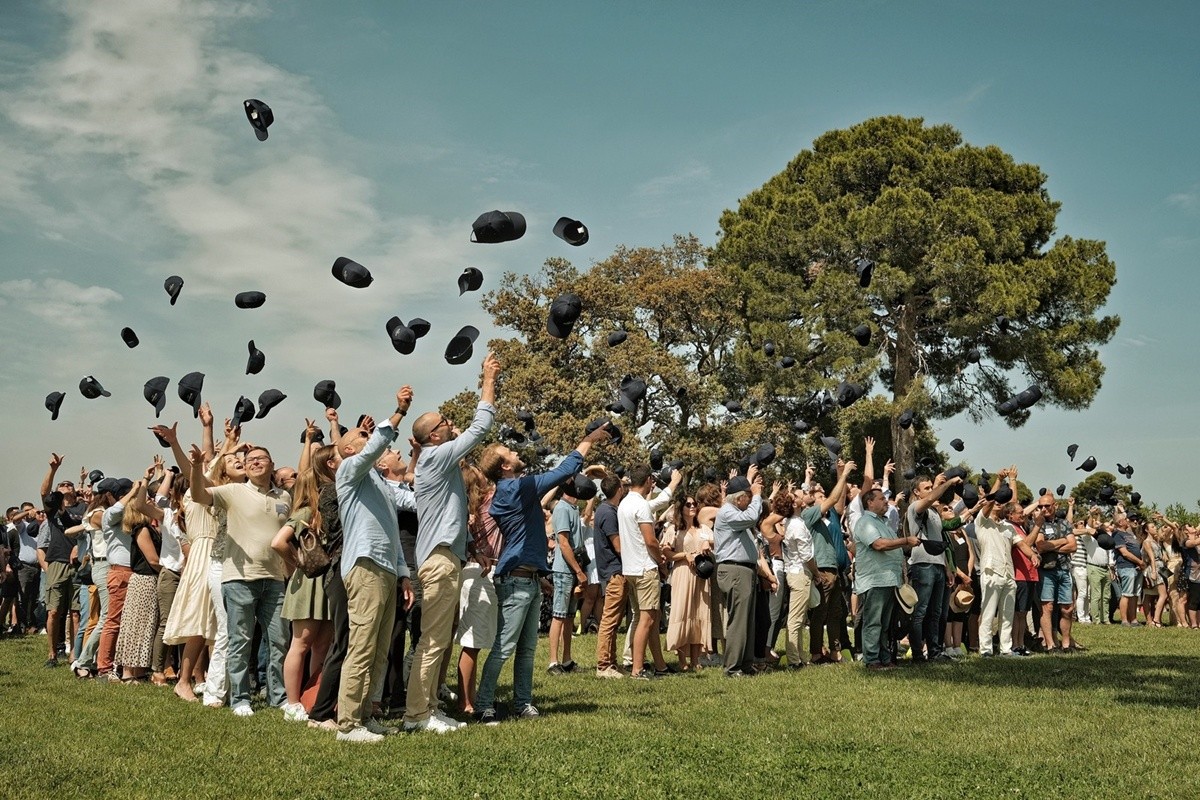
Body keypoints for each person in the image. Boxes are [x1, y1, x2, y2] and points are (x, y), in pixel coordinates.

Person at [473, 423, 611, 723]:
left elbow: (550, 488)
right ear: (505, 466)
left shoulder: (514, 490)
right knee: (505, 646)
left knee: (526, 648)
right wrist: (587, 439)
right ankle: (484, 704)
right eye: (508, 452)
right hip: (516, 580)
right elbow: (561, 472)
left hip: (530, 578)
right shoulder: (513, 487)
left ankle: (523, 703)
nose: (514, 451)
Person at [404, 355, 498, 733]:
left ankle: (427, 709)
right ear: (436, 435)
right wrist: (488, 379)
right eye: (444, 421)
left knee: (439, 640)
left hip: (444, 558)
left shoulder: (433, 460)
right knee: (432, 642)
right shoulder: (437, 456)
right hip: (440, 560)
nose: (450, 422)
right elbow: (482, 425)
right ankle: (416, 715)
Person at [333, 387, 417, 743]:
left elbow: (393, 536)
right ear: (349, 449)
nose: (369, 439)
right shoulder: (350, 471)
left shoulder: (381, 486)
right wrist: (397, 413)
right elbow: (373, 447)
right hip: (364, 566)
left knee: (380, 649)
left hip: (385, 568)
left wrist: (403, 575)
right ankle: (347, 724)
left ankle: (367, 715)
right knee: (363, 645)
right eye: (361, 436)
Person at [190, 442, 291, 716]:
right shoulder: (234, 491)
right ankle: (240, 699)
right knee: (240, 641)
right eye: (251, 460)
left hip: (275, 579)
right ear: (245, 467)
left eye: (262, 458)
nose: (256, 462)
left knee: (279, 641)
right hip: (239, 579)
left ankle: (278, 697)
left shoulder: (284, 497)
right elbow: (198, 495)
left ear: (271, 464)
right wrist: (198, 466)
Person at [271, 443, 337, 723]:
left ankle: (313, 696)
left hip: (326, 582)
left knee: (322, 645)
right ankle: (292, 701)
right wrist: (299, 563)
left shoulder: (325, 513)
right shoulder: (305, 513)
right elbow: (277, 542)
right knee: (302, 642)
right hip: (309, 583)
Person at [620, 463, 682, 680]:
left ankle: (660, 665)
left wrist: (672, 485)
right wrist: (661, 562)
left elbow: (659, 502)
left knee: (647, 618)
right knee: (647, 619)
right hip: (645, 568)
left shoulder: (625, 503)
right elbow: (650, 540)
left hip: (631, 568)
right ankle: (637, 669)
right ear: (648, 481)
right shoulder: (641, 506)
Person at [713, 465, 771, 678]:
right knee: (738, 620)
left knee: (747, 619)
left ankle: (745, 664)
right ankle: (733, 666)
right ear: (739, 498)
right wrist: (757, 496)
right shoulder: (728, 512)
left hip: (744, 570)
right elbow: (750, 517)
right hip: (734, 570)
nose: (751, 499)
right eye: (747, 496)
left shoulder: (734, 511)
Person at [853, 488, 916, 670]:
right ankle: (872, 660)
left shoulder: (885, 524)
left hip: (889, 580)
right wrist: (905, 541)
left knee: (885, 624)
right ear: (869, 503)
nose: (886, 501)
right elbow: (878, 544)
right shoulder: (865, 521)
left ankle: (884, 658)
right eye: (881, 499)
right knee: (873, 621)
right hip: (875, 580)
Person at [457, 463, 501, 714]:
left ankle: (469, 698)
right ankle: (466, 702)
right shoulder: (489, 504)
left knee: (473, 642)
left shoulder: (473, 508)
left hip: (474, 570)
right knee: (472, 642)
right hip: (481, 571)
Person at [113, 480, 161, 683]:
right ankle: (128, 672)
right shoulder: (142, 530)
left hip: (144, 581)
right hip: (145, 581)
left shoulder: (144, 529)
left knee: (144, 625)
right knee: (137, 626)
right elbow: (152, 559)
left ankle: (138, 671)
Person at [547, 476, 592, 675]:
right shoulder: (562, 508)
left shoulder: (572, 508)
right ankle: (552, 662)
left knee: (569, 616)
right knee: (558, 615)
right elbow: (563, 544)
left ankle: (566, 660)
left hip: (573, 569)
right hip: (564, 570)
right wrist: (579, 571)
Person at [663, 496, 713, 672]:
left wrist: (708, 542)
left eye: (694, 504)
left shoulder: (704, 528)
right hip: (683, 572)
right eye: (688, 504)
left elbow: (715, 543)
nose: (692, 507)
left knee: (699, 612)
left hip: (701, 574)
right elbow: (666, 552)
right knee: (682, 612)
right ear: (681, 508)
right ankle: (682, 659)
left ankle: (696, 659)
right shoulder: (674, 529)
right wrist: (685, 555)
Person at [593, 472, 628, 679]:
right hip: (614, 572)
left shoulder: (605, 509)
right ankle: (603, 664)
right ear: (619, 490)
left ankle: (611, 662)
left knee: (614, 620)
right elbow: (618, 546)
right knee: (609, 620)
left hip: (612, 571)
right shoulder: (608, 513)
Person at [1032, 492, 1077, 651]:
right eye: (1041, 506)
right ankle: (1050, 645)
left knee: (1067, 608)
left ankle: (1065, 643)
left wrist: (1052, 545)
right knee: (1047, 607)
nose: (1044, 509)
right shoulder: (1038, 524)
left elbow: (1073, 546)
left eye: (1047, 506)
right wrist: (1063, 540)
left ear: (1055, 505)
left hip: (1064, 570)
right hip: (1046, 571)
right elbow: (1041, 546)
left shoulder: (1065, 523)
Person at [1112, 509, 1145, 626]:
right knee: (1126, 594)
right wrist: (1139, 562)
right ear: (1120, 522)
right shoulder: (1118, 534)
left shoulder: (1129, 534)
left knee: (1135, 594)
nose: (1129, 521)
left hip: (1136, 567)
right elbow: (1124, 552)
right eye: (1126, 519)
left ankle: (1134, 619)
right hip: (1126, 567)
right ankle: (1124, 620)